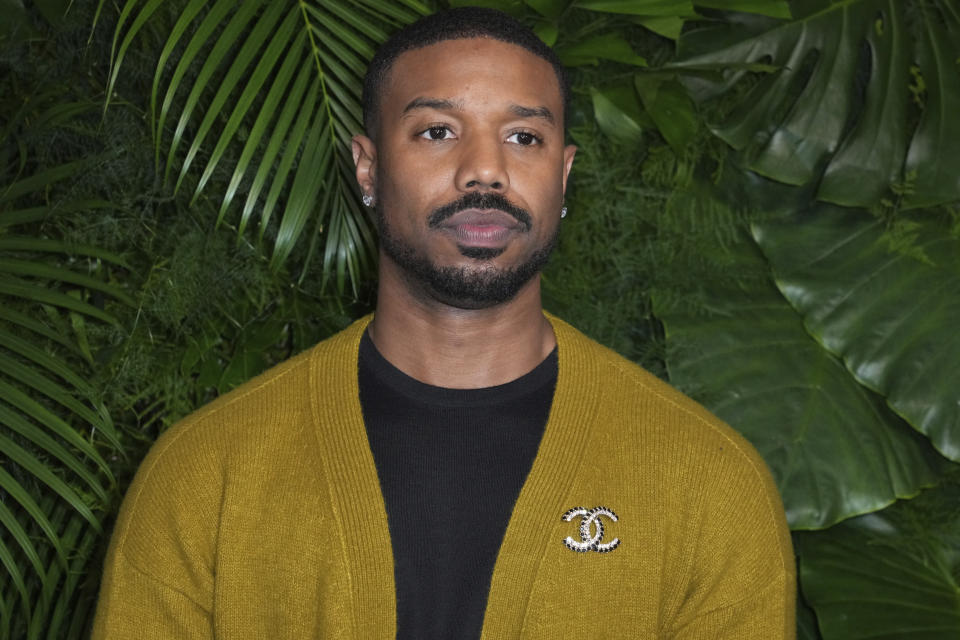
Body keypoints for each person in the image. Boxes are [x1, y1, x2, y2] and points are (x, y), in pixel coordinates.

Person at [93, 7, 795, 639]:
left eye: (524, 137)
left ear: (565, 175)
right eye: (437, 131)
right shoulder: (207, 477)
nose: (484, 171)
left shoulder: (708, 485)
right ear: (367, 169)